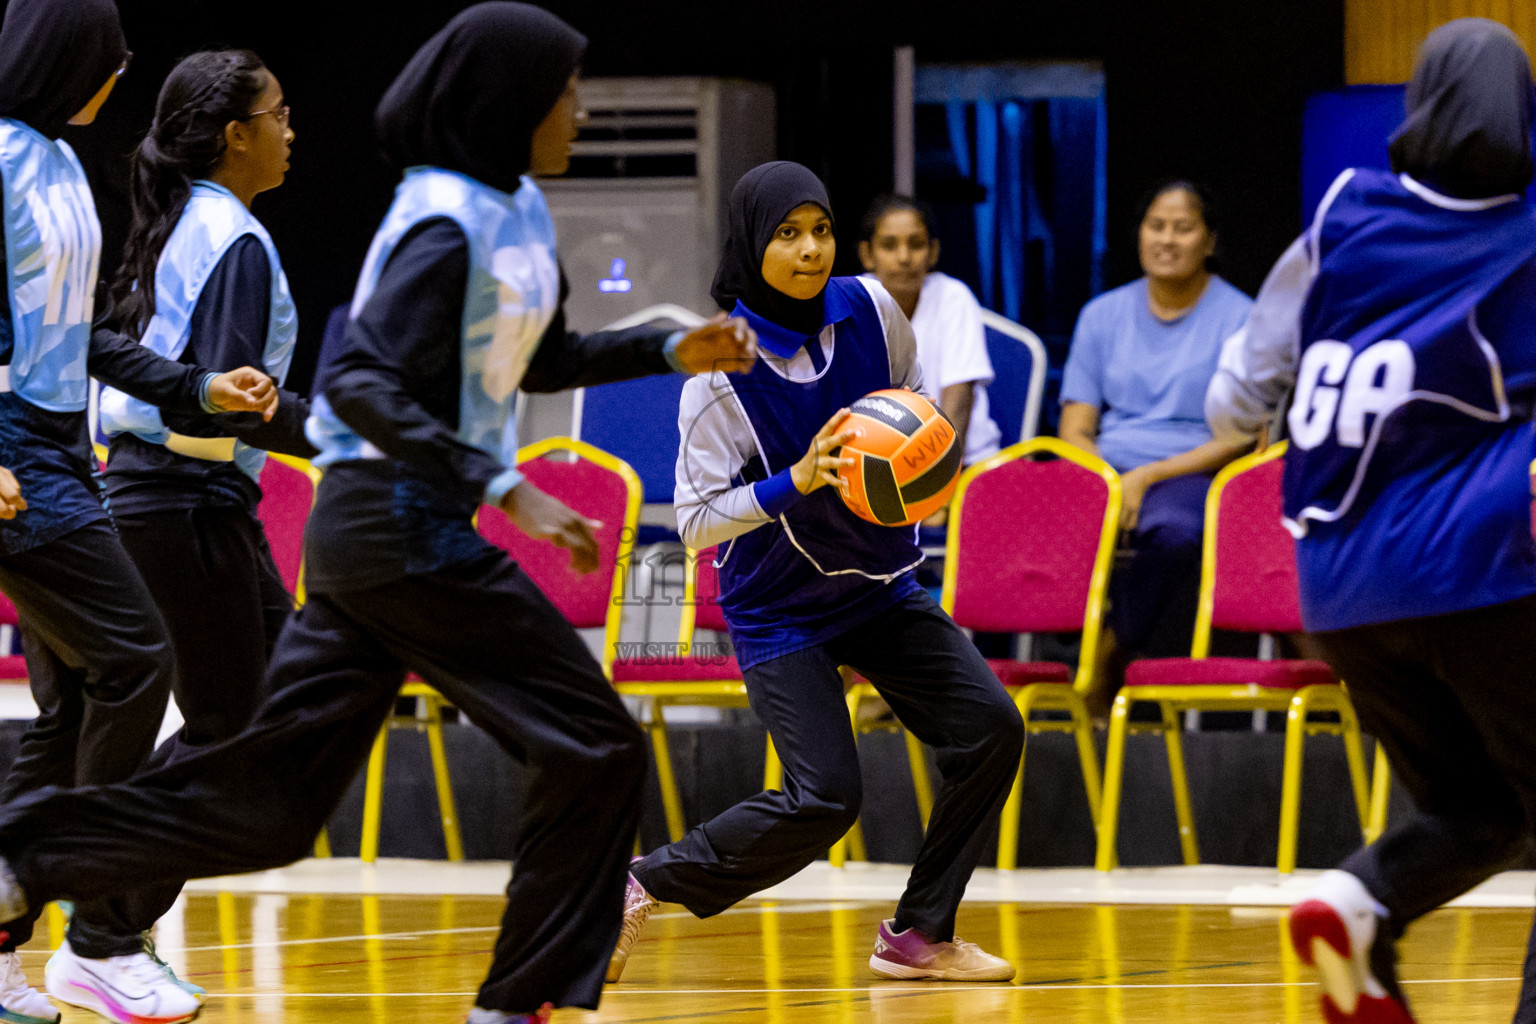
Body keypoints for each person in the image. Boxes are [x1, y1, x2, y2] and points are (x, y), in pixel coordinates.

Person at [0, 5, 756, 1024]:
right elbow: (358, 384)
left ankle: (27, 858)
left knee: (271, 803)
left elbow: (541, 360)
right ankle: (519, 999)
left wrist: (668, 351)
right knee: (596, 743)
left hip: (366, 530)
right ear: (510, 103)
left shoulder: (518, 208)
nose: (579, 110)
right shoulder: (440, 218)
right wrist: (504, 488)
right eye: (565, 92)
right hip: (400, 526)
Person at [607, 161, 1024, 986]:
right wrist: (792, 482)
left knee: (992, 729)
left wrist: (920, 470)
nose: (809, 250)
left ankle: (917, 936)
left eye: (821, 230)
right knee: (825, 799)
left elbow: (911, 398)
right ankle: (632, 885)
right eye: (787, 234)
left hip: (878, 584)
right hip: (782, 608)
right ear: (750, 246)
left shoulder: (872, 305)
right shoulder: (717, 374)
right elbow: (692, 524)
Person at [1205, 19, 1536, 1024]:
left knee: (1477, 812)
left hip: (1339, 588)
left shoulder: (1339, 221)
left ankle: (1356, 902)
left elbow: (1231, 404)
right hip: (1479, 573)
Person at [0, 3, 281, 1022]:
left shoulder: (60, 167)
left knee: (79, 698)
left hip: (67, 450)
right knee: (136, 660)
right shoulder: (2, 160)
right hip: (23, 456)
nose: (119, 78)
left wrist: (199, 390)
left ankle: (32, 934)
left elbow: (78, 345)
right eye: (110, 61)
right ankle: (91, 921)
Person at [1058, 180, 1252, 708]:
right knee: (1033, 522)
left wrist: (1149, 477)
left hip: (1191, 466)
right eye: (1156, 226)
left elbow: (1239, 437)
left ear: (1209, 241)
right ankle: (1028, 679)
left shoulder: (1241, 318)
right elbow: (1074, 427)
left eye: (1184, 228)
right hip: (1105, 467)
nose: (1168, 240)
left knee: (1173, 533)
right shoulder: (1102, 315)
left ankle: (1108, 654)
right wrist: (1112, 478)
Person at [858, 194, 999, 491]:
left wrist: (939, 483)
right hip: (878, 469)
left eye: (916, 244)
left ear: (933, 252)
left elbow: (959, 400)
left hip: (962, 465)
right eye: (889, 245)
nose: (904, 257)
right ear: (867, 254)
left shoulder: (954, 297)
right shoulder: (852, 302)